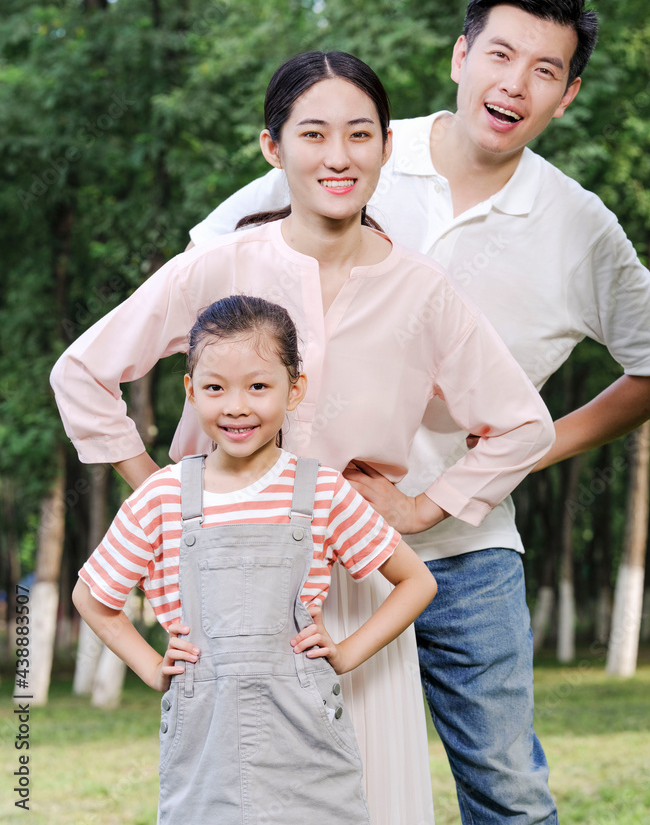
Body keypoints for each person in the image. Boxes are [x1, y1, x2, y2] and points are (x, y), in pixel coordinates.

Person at [189, 0, 650, 824]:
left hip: (469, 550)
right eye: (500, 54)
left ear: (566, 96)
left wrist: (482, 475)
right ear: (460, 56)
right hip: (303, 543)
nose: (515, 84)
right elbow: (209, 265)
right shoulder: (356, 146)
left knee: (508, 791)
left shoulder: (580, 227)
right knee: (282, 779)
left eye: (545, 71)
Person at [52, 49, 556, 825]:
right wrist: (169, 496)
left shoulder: (423, 291)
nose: (338, 156)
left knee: (374, 797)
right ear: (272, 147)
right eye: (313, 133)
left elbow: (524, 424)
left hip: (353, 591)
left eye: (360, 135)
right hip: (226, 596)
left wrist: (423, 510)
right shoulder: (215, 268)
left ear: (388, 146)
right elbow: (82, 373)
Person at [72, 294, 437, 823]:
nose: (236, 406)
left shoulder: (323, 493)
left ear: (295, 389)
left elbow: (416, 582)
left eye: (258, 386)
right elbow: (91, 597)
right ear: (190, 391)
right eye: (215, 387)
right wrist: (151, 667)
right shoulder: (162, 496)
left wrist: (349, 652)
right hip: (204, 729)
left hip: (305, 726)